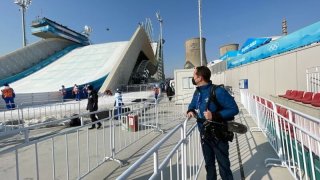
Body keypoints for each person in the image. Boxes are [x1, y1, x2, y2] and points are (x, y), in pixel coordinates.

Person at [186, 66, 239, 180]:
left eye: (194, 75)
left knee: (223, 165)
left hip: (218, 134)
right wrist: (190, 110)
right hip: (204, 134)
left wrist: (214, 115)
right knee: (209, 164)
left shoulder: (218, 91)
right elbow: (192, 104)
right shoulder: (198, 91)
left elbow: (234, 109)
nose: (193, 77)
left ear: (200, 78)